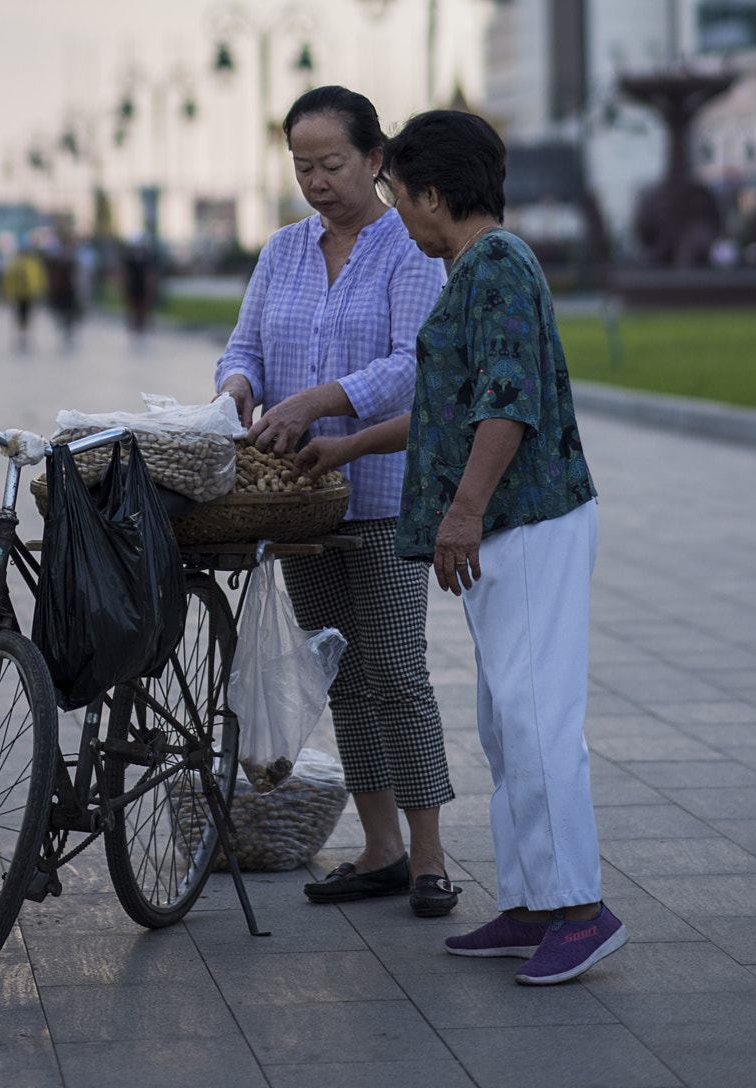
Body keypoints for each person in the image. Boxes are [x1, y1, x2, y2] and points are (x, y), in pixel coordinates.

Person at [382, 107, 625, 984]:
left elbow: (507, 402)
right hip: (508, 522)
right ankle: (529, 901)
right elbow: (454, 406)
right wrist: (343, 443)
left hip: (527, 520)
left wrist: (462, 513)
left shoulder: (495, 266)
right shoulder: (477, 270)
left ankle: (581, 910)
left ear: (435, 194)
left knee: (535, 718)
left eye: (398, 194)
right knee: (502, 721)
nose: (397, 211)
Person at [215, 85, 458, 917]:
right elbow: (242, 344)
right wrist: (238, 387)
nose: (315, 181)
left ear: (374, 159)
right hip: (298, 503)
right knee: (342, 676)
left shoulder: (409, 249)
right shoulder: (283, 250)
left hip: (383, 493)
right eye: (300, 165)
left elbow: (412, 365)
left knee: (396, 671)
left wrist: (321, 400)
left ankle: (428, 856)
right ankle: (379, 847)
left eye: (331, 163)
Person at [1, 240, 47, 350]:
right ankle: (22, 334)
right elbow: (8, 280)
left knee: (26, 315)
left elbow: (40, 278)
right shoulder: (17, 264)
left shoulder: (32, 264)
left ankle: (24, 334)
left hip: (29, 294)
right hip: (19, 294)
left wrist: (41, 289)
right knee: (21, 315)